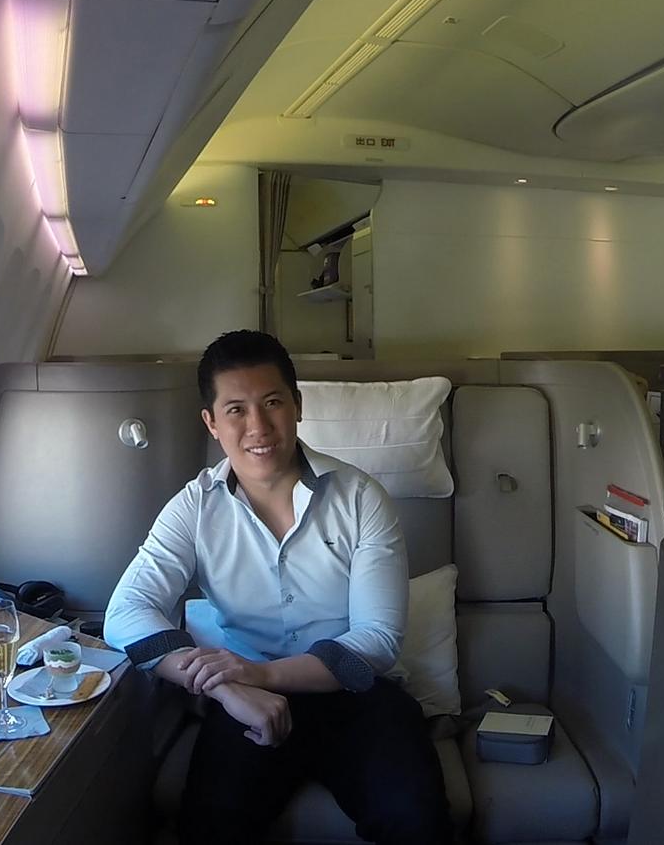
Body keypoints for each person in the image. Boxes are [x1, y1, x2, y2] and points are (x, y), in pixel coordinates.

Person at [104, 330, 451, 844]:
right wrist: (227, 687)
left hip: (352, 694)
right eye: (236, 410)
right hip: (243, 701)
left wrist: (261, 674)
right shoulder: (194, 508)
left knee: (416, 820)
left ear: (297, 405)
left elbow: (377, 640)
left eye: (272, 403)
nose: (258, 427)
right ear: (212, 423)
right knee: (209, 828)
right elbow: (126, 611)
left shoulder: (361, 498)